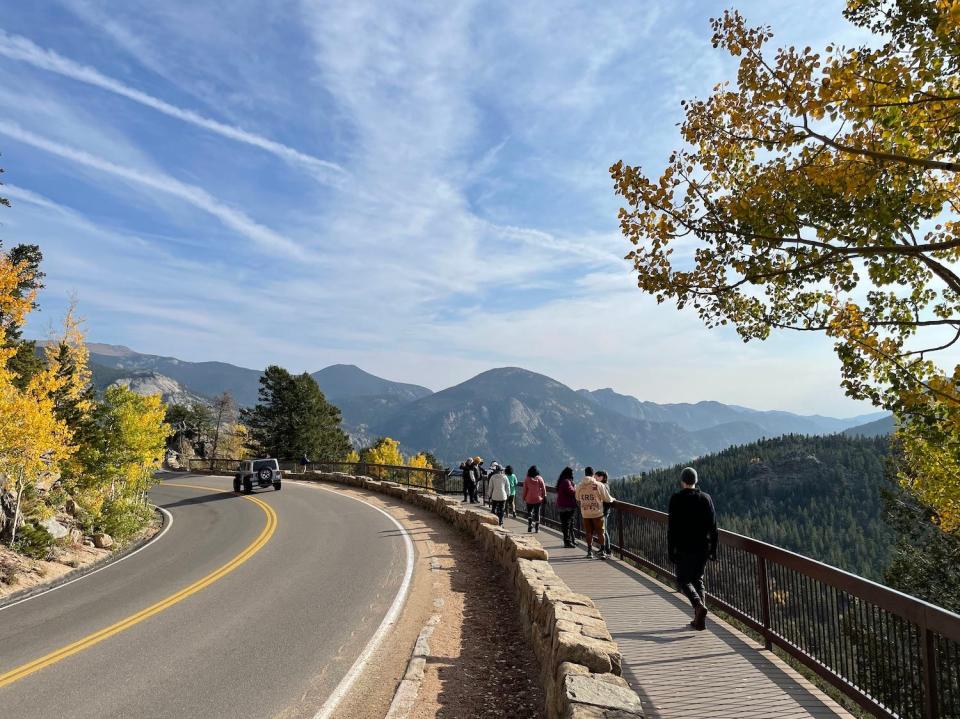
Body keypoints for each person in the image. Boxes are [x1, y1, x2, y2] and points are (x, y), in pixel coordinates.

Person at [667, 467, 718, 631]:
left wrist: (671, 549)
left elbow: (672, 528)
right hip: (702, 547)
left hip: (683, 547)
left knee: (683, 580)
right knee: (698, 579)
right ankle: (699, 619)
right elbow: (713, 527)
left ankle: (697, 605)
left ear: (682, 481)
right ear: (696, 481)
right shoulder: (706, 498)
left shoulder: (676, 499)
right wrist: (713, 549)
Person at [575, 466, 612, 559]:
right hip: (597, 512)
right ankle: (603, 551)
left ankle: (589, 551)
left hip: (585, 512)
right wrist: (612, 499)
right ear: (593, 474)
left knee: (588, 532)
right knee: (601, 532)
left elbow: (577, 497)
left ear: (585, 473)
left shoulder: (580, 485)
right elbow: (607, 498)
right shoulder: (599, 485)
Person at [556, 467, 578, 548]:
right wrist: (575, 487)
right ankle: (567, 542)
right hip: (567, 506)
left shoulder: (561, 481)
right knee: (568, 524)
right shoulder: (567, 482)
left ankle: (570, 540)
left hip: (561, 505)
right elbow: (572, 492)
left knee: (566, 524)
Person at [522, 465, 546, 533]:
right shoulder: (540, 479)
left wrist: (524, 497)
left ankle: (530, 525)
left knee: (529, 512)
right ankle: (537, 527)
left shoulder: (527, 479)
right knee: (537, 512)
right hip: (538, 499)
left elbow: (525, 490)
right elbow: (544, 488)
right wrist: (544, 496)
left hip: (529, 499)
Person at [596, 470, 614, 556]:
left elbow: (606, 498)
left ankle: (607, 550)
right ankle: (603, 549)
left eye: (596, 477)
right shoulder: (603, 485)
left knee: (604, 530)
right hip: (603, 511)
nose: (595, 478)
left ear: (601, 477)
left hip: (604, 511)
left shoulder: (604, 486)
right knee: (602, 530)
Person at [487, 462, 510, 526]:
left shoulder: (492, 477)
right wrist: (508, 494)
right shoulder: (505, 477)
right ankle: (501, 522)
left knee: (493, 509)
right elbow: (507, 487)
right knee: (502, 509)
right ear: (501, 470)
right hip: (503, 496)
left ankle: (494, 521)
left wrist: (489, 495)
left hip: (494, 496)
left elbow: (490, 487)